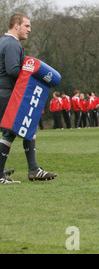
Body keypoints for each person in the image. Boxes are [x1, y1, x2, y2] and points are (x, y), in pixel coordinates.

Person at [0, 13, 56, 184]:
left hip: (5, 92)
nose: (29, 30)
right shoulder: (11, 44)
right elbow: (13, 70)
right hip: (8, 93)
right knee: (13, 131)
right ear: (16, 25)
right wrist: (32, 81)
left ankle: (33, 169)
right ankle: (29, 170)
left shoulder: (5, 42)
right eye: (26, 26)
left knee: (26, 126)